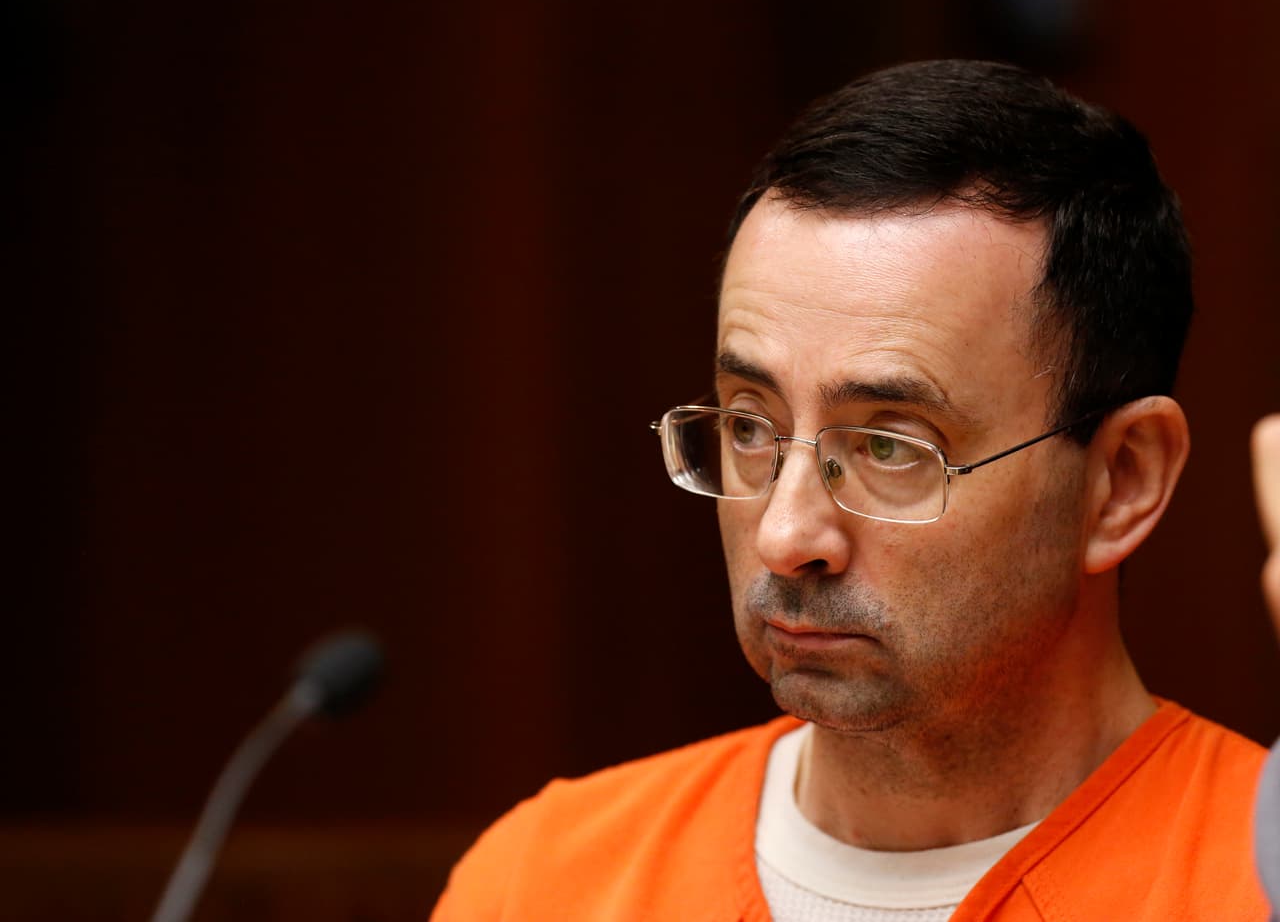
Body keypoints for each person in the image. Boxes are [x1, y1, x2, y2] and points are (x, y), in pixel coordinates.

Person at [431, 60, 1271, 920]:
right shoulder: (546, 881)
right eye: (751, 427)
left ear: (1122, 480)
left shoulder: (1251, 875)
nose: (786, 535)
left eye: (886, 445)